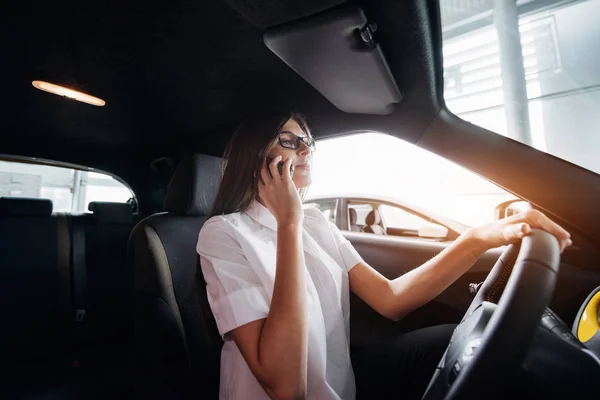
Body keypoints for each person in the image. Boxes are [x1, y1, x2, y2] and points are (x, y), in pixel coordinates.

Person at [196, 111, 571, 400]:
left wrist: (478, 238)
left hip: (343, 388)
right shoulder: (223, 234)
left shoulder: (315, 223)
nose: (307, 148)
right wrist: (289, 225)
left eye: (308, 140)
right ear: (256, 155)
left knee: (451, 340)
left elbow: (391, 299)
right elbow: (285, 386)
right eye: (289, 140)